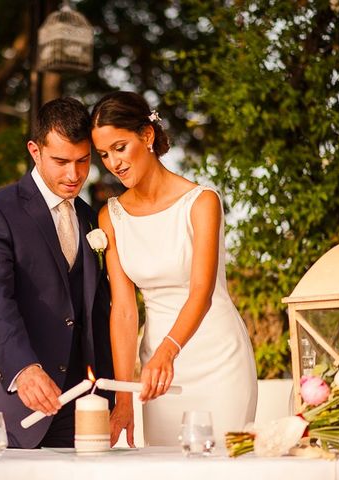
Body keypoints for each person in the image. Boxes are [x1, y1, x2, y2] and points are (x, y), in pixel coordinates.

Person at [0, 97, 114, 449]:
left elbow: (96, 311)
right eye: (61, 161)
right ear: (34, 151)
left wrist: (109, 395)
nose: (73, 174)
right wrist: (24, 369)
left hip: (74, 407)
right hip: (0, 404)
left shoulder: (91, 217)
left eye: (83, 161)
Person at [90, 91, 257, 447]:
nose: (113, 163)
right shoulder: (111, 216)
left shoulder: (201, 202)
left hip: (217, 357)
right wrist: (124, 397)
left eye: (120, 147)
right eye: (104, 155)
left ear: (147, 136)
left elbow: (202, 291)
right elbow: (122, 310)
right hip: (157, 372)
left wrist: (168, 352)